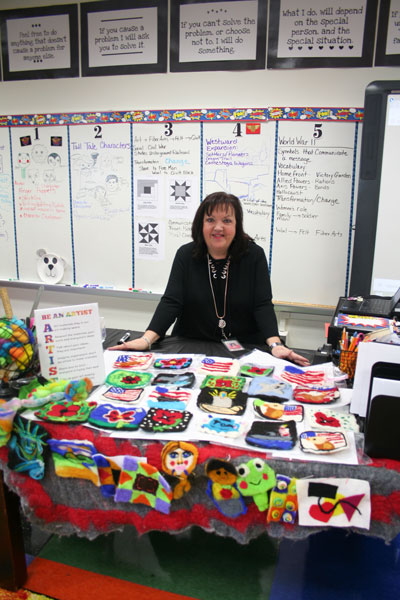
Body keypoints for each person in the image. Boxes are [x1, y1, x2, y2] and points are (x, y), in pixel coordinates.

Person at [110, 192, 309, 366]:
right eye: (211, 220)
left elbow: (262, 305)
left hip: (244, 347)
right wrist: (146, 340)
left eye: (227, 221)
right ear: (201, 224)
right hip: (191, 346)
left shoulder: (254, 256)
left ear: (237, 225)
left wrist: (275, 344)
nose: (218, 227)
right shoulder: (186, 255)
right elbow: (171, 302)